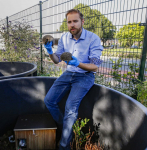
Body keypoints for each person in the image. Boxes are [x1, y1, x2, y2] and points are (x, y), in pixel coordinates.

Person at [43, 9, 103, 150]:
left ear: (82, 22)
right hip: (69, 74)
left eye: (75, 21)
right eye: (69, 22)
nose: (72, 25)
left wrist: (79, 64)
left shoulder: (93, 38)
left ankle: (64, 146)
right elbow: (57, 60)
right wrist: (50, 52)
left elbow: (94, 67)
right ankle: (65, 129)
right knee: (49, 101)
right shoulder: (65, 38)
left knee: (70, 109)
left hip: (85, 76)